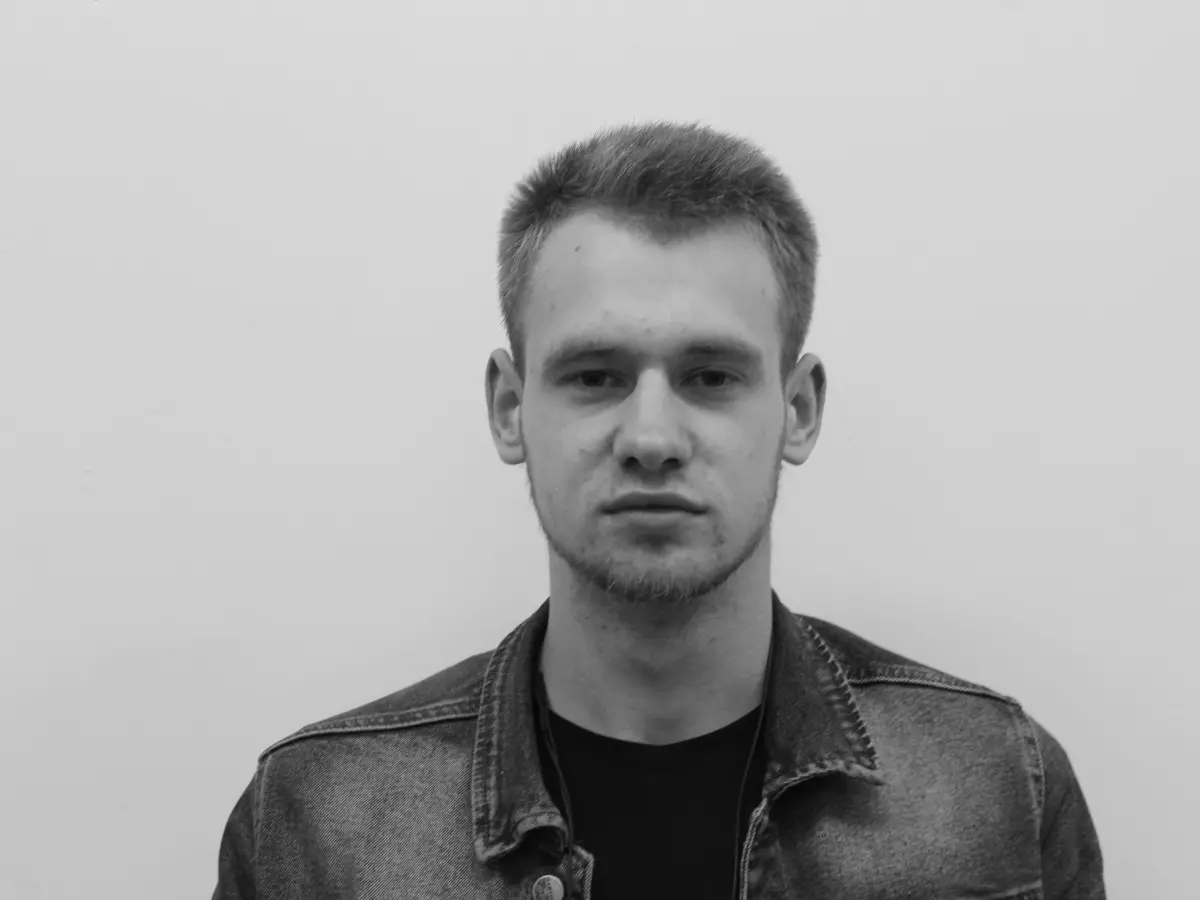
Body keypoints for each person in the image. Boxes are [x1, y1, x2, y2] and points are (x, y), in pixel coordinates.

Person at [213, 122, 1105, 900]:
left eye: (710, 376)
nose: (650, 435)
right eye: (595, 375)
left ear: (797, 410)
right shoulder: (318, 818)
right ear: (509, 408)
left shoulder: (997, 786)